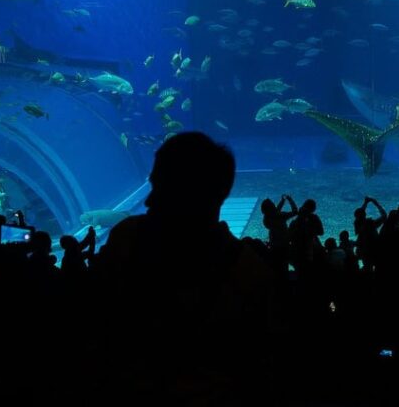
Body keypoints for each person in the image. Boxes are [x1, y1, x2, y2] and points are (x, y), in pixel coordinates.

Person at [92, 133, 274, 399]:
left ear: (190, 196)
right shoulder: (251, 273)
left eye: (161, 189)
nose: (149, 201)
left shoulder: (126, 241)